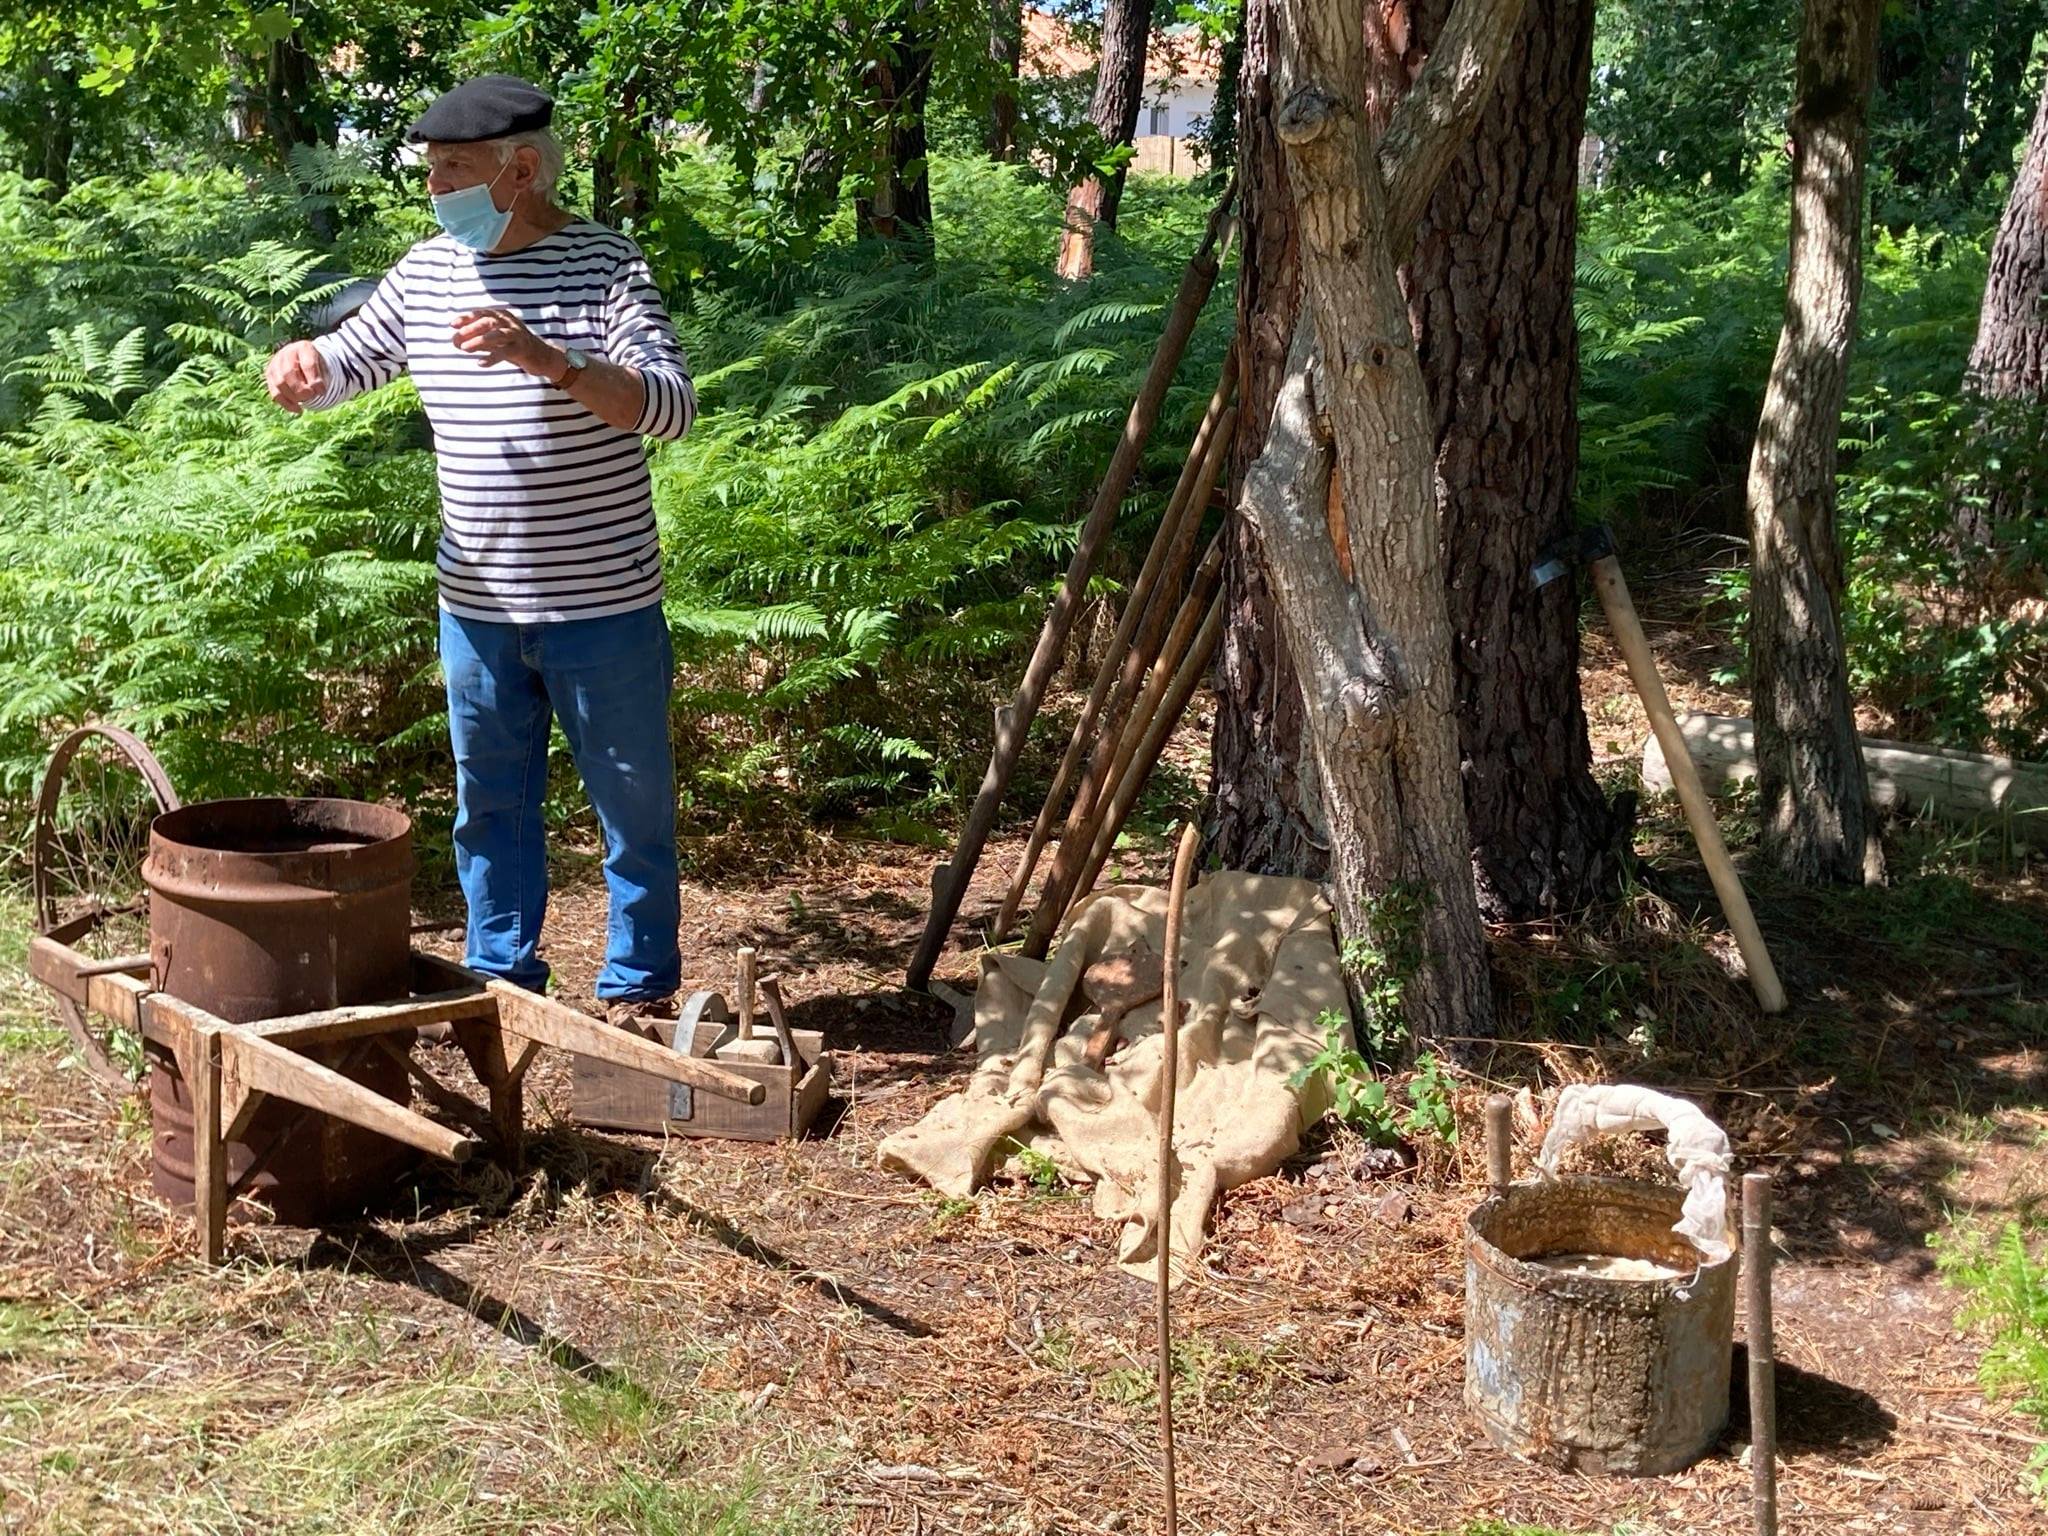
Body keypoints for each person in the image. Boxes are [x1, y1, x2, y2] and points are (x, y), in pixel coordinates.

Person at [264, 74, 692, 1027]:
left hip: (605, 606)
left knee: (633, 816)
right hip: (478, 608)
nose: (435, 188)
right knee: (489, 809)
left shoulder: (606, 266)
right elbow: (352, 361)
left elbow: (669, 408)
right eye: (431, 170)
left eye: (454, 170)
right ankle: (501, 979)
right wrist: (303, 364)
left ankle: (640, 992)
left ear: (522, 170)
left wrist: (550, 358)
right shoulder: (425, 272)